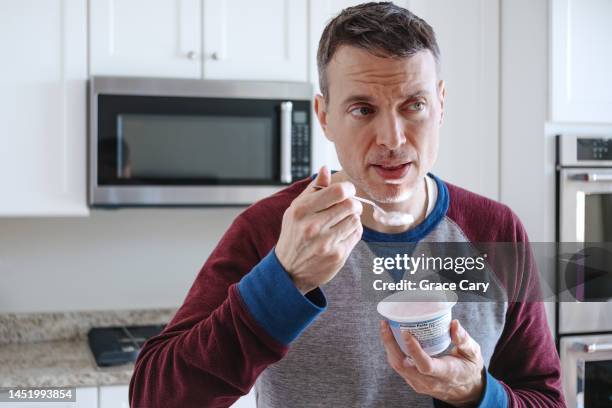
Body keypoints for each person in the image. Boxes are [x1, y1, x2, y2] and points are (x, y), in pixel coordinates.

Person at [129, 2, 565, 407]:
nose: (392, 139)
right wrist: (284, 278)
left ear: (441, 105)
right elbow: (153, 397)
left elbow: (546, 398)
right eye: (362, 109)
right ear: (324, 116)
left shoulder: (495, 231)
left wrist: (475, 392)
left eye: (414, 105)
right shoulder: (270, 229)